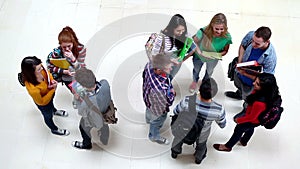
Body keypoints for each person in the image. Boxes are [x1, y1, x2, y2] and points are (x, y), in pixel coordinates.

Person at [213, 73, 280, 152]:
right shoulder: (270, 94)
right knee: (250, 128)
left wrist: (239, 120)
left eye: (257, 84)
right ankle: (244, 141)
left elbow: (251, 117)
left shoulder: (259, 103)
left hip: (252, 119)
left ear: (264, 88)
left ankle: (228, 146)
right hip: (257, 120)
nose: (253, 83)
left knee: (238, 130)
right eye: (255, 81)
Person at [171, 78, 226, 164]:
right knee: (201, 145)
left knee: (178, 140)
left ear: (199, 89)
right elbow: (222, 125)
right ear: (214, 94)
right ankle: (198, 158)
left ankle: (175, 152)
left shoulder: (187, 100)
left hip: (184, 128)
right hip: (202, 133)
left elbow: (175, 111)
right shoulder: (218, 109)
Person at [20, 56, 70, 136]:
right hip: (44, 104)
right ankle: (54, 129)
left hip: (49, 95)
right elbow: (42, 102)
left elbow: (47, 73)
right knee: (48, 116)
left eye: (41, 67)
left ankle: (54, 111)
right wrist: (53, 89)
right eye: (39, 69)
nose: (42, 69)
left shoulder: (41, 69)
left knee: (51, 105)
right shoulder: (33, 89)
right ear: (31, 72)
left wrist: (51, 80)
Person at [225, 26, 277, 100]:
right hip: (240, 71)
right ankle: (239, 93)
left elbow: (266, 78)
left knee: (248, 98)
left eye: (257, 44)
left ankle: (245, 107)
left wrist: (245, 73)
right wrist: (240, 61)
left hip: (251, 82)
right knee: (239, 84)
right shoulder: (251, 35)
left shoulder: (270, 58)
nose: (253, 44)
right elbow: (243, 45)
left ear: (267, 41)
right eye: (252, 41)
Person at [189, 13, 232, 93]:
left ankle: (205, 83)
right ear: (212, 25)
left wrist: (217, 55)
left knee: (209, 71)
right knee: (196, 69)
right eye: (217, 29)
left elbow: (225, 50)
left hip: (213, 58)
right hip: (199, 56)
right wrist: (199, 52)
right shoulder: (203, 31)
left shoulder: (227, 37)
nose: (219, 32)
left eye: (222, 29)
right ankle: (195, 81)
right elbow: (193, 43)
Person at [71, 68, 111, 149]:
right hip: (106, 111)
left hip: (94, 118)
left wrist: (77, 99)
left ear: (83, 86)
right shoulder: (105, 83)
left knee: (83, 128)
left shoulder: (86, 104)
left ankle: (86, 144)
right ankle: (104, 140)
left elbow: (81, 112)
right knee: (105, 126)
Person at [142, 53, 176, 145]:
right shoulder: (160, 89)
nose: (171, 69)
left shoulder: (149, 65)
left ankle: (148, 119)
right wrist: (172, 93)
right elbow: (167, 103)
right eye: (168, 68)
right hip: (158, 109)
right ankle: (154, 136)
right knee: (157, 121)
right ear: (159, 70)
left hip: (148, 98)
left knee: (149, 110)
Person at [151, 14, 196, 81]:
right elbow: (154, 54)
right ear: (171, 28)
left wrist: (182, 60)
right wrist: (170, 61)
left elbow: (193, 48)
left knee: (170, 79)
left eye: (183, 30)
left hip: (176, 64)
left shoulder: (185, 35)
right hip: (164, 64)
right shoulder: (162, 38)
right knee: (162, 81)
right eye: (178, 31)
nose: (181, 33)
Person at [46, 26, 86, 91]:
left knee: (85, 91)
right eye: (64, 47)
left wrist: (73, 58)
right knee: (77, 93)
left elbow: (82, 68)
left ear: (73, 42)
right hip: (67, 78)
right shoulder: (57, 53)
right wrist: (64, 71)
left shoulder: (80, 49)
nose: (67, 49)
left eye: (69, 46)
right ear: (60, 45)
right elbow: (50, 67)